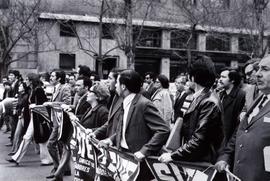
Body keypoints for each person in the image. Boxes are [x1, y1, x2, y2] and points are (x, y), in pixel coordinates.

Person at [99, 69, 170, 181]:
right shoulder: (124, 102)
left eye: (117, 82)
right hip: (124, 158)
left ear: (123, 87)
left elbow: (163, 129)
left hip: (139, 162)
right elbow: (124, 128)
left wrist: (144, 151)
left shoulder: (144, 104)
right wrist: (111, 140)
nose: (115, 85)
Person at [159, 55, 224, 164]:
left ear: (193, 77)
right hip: (197, 159)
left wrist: (173, 155)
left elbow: (199, 140)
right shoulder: (201, 97)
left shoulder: (209, 102)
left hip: (202, 162)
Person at [215, 55, 270, 181]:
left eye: (265, 69)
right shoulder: (259, 98)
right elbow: (242, 130)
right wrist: (226, 157)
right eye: (258, 69)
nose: (258, 74)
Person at [6, 73, 52, 166]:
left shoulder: (38, 90)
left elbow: (44, 103)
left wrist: (35, 106)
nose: (25, 81)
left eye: (27, 79)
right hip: (34, 117)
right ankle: (45, 159)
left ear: (31, 81)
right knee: (34, 138)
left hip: (38, 117)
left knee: (41, 138)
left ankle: (47, 159)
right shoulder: (32, 90)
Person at [45, 70, 71, 181]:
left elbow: (67, 103)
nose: (51, 78)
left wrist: (51, 104)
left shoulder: (64, 88)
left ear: (59, 78)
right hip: (55, 120)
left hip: (61, 121)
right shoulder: (55, 88)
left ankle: (57, 168)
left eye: (53, 76)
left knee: (50, 144)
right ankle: (66, 169)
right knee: (60, 145)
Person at [217, 68, 246, 144]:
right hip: (220, 139)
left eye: (223, 77)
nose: (220, 79)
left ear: (232, 80)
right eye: (220, 77)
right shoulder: (220, 94)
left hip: (231, 141)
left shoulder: (241, 95)